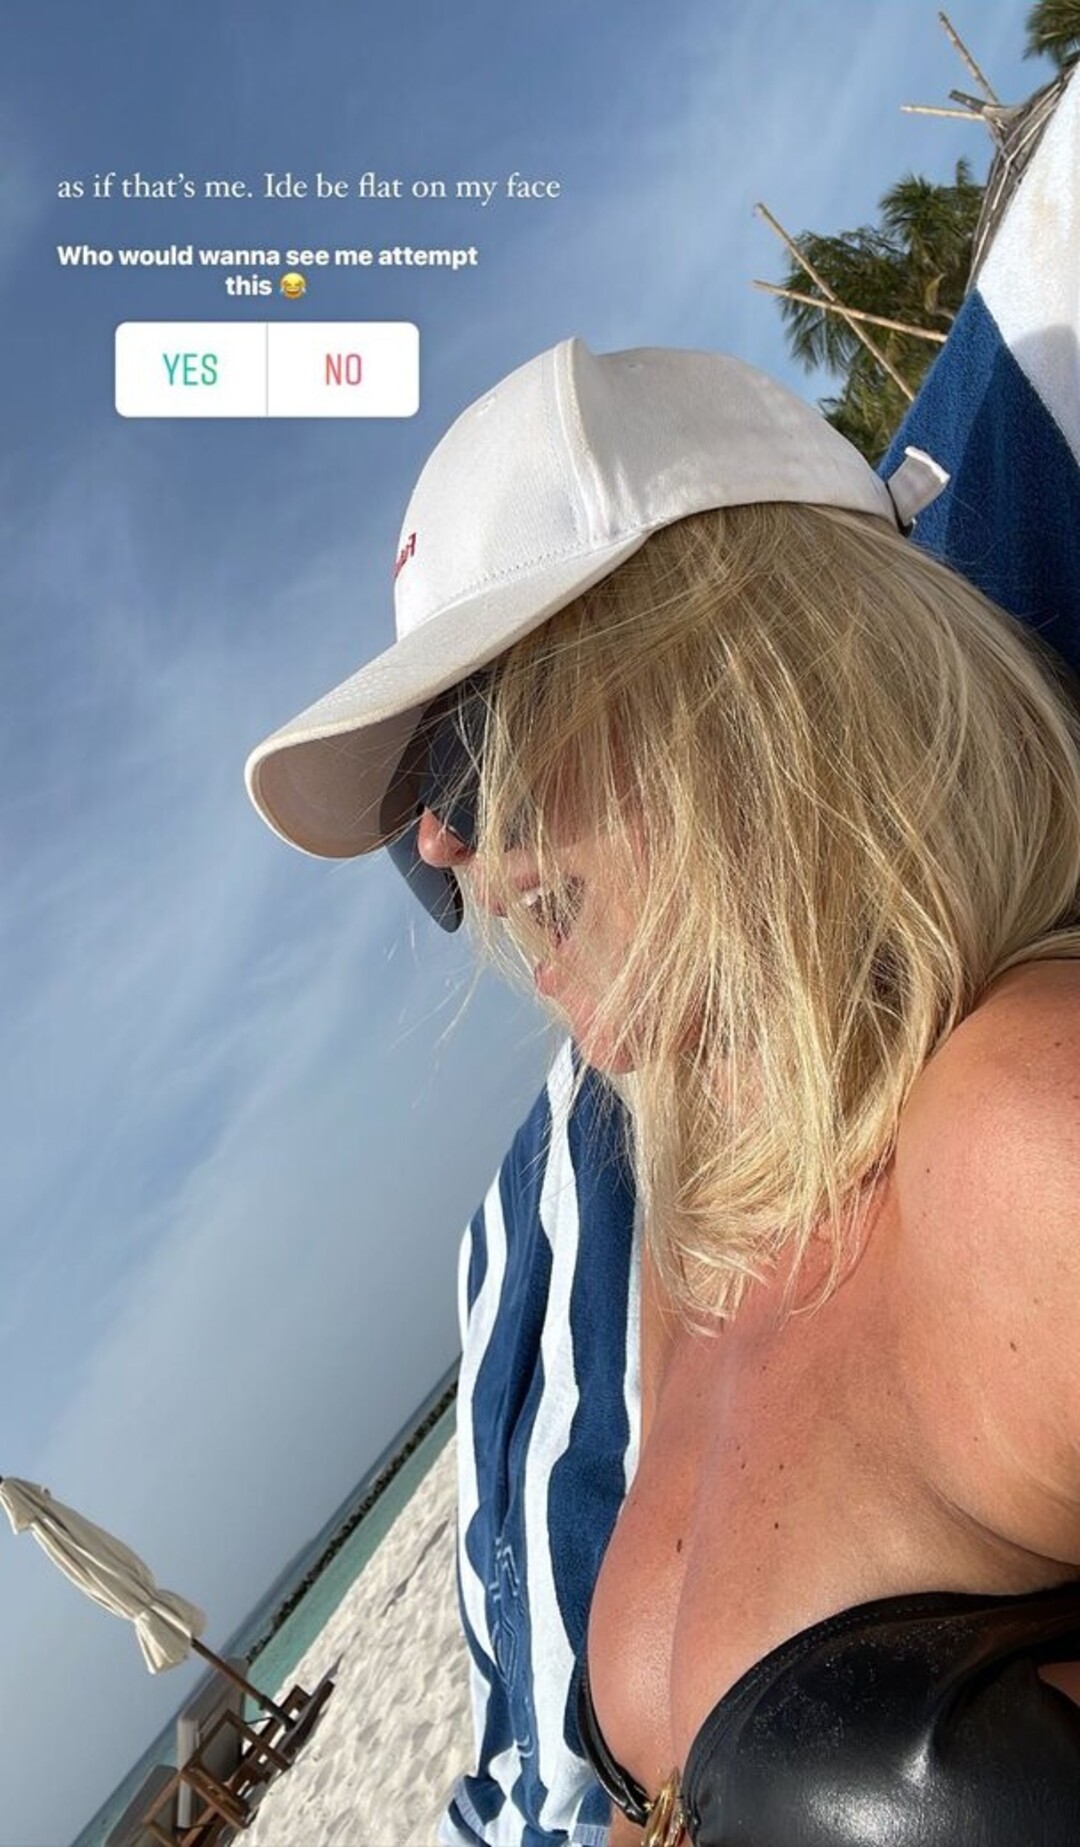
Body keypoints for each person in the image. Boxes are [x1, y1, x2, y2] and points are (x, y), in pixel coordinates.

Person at [247, 336, 1080, 1844]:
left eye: (468, 753)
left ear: (735, 671)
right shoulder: (687, 1263)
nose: (442, 846)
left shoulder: (1024, 1144)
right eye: (421, 815)